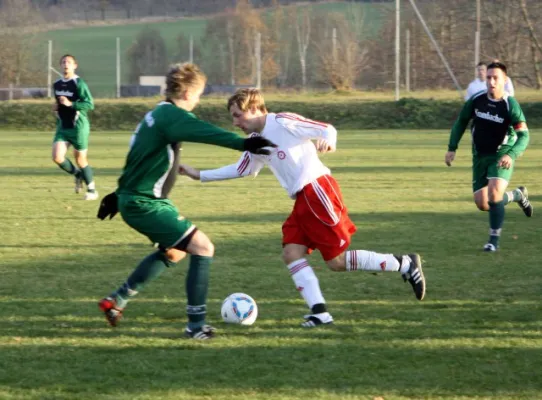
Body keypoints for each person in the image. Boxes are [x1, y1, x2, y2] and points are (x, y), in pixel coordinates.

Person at [179, 88, 426, 328]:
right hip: (302, 200)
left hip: (318, 191)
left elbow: (326, 129)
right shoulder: (256, 141)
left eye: (237, 115)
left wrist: (328, 141)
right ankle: (320, 314)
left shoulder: (283, 121)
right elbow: (243, 169)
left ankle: (404, 264)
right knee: (291, 253)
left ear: (254, 109)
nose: (235, 123)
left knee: (336, 262)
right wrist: (198, 174)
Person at [96, 64, 275, 340]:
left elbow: (138, 157)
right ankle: (196, 326)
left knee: (175, 252)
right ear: (189, 92)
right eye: (200, 94)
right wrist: (243, 144)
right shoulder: (171, 115)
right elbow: (203, 131)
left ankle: (116, 301)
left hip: (139, 200)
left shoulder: (155, 114)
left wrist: (117, 195)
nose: (199, 100)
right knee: (203, 247)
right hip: (145, 204)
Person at [445, 61, 532, 252]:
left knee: (494, 194)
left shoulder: (510, 105)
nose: (491, 81)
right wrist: (452, 148)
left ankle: (493, 241)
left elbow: (524, 135)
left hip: (501, 155)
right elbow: (461, 122)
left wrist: (511, 154)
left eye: (496, 78)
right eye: (489, 77)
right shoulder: (477, 100)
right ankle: (517, 195)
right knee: (482, 203)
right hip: (479, 156)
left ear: (504, 80)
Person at [52, 54, 98, 200]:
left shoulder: (79, 83)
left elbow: (89, 104)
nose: (66, 64)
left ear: (74, 66)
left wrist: (71, 104)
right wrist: (57, 107)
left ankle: (92, 190)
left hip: (78, 127)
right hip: (63, 127)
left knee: (80, 160)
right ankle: (78, 174)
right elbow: (60, 103)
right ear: (60, 65)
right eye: (64, 62)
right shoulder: (57, 84)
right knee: (57, 157)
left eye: (69, 62)